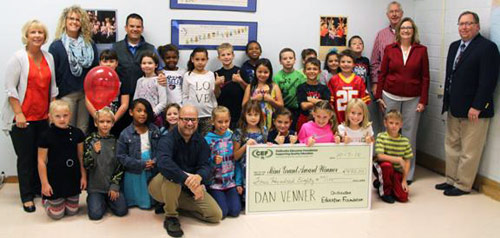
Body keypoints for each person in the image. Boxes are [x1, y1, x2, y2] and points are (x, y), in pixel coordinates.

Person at [436, 11, 500, 196]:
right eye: (461, 23)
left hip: (474, 110)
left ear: (477, 26)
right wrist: (446, 102)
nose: (464, 27)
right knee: (452, 145)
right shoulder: (454, 46)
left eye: (469, 23)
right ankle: (451, 179)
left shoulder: (487, 48)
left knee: (470, 150)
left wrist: (478, 106)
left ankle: (463, 185)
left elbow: (488, 81)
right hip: (454, 107)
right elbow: (451, 77)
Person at [2, 20, 58, 213]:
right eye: (33, 32)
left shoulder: (48, 57)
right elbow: (10, 88)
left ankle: (37, 189)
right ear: (26, 35)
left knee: (40, 157)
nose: (37, 36)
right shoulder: (18, 58)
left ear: (44, 36)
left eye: (40, 33)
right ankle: (26, 197)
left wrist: (52, 112)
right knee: (25, 158)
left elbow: (53, 88)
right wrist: (18, 113)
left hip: (43, 117)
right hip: (23, 119)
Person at [148, 105, 222, 237]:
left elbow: (205, 166)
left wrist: (199, 178)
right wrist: (187, 179)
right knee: (173, 177)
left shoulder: (201, 142)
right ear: (178, 120)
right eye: (185, 119)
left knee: (215, 215)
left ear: (197, 122)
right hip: (160, 186)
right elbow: (164, 163)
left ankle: (172, 204)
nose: (189, 123)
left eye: (193, 120)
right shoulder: (167, 139)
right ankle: (171, 216)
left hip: (187, 188)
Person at [375, 17, 429, 183]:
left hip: (413, 98)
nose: (406, 30)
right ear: (398, 31)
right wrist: (378, 96)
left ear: (413, 31)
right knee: (388, 134)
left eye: (409, 28)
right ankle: (387, 171)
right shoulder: (390, 48)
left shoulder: (421, 50)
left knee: (409, 135)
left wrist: (423, 100)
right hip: (390, 95)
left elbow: (425, 77)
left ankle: (407, 173)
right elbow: (382, 73)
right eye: (403, 28)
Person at [49, 5, 99, 134]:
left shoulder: (90, 44)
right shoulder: (56, 46)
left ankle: (80, 155)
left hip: (86, 95)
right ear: (65, 21)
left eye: (78, 19)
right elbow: (52, 74)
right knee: (66, 129)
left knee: (82, 130)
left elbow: (94, 70)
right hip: (65, 95)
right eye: (71, 18)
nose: (74, 22)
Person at [113, 13, 164, 134]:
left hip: (144, 100)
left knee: (142, 133)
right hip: (120, 99)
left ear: (142, 29)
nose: (135, 29)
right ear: (126, 28)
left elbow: (160, 70)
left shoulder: (151, 49)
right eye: (132, 26)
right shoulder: (116, 47)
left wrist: (162, 78)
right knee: (120, 131)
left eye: (138, 26)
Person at [38, 100, 86, 219]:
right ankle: (46, 200)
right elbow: (41, 161)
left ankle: (65, 199)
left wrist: (83, 176)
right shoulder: (45, 136)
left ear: (70, 114)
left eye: (65, 115)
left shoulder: (77, 133)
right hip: (55, 179)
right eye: (57, 116)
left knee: (72, 212)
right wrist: (44, 183)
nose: (62, 119)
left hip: (72, 177)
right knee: (57, 215)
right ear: (50, 117)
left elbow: (81, 156)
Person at [84, 107, 128, 220]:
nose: (105, 125)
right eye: (101, 122)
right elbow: (87, 165)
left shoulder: (116, 141)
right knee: (95, 215)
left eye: (108, 122)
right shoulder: (90, 140)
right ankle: (96, 199)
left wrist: (114, 186)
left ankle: (108, 199)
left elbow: (120, 166)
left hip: (110, 186)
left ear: (113, 124)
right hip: (95, 187)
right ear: (95, 123)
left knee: (122, 211)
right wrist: (93, 152)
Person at [116, 99, 161, 209]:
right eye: (139, 110)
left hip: (152, 167)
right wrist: (140, 164)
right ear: (131, 112)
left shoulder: (154, 130)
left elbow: (161, 150)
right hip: (134, 168)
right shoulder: (125, 133)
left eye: (145, 111)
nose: (142, 114)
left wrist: (154, 161)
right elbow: (121, 156)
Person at [370, 1, 404, 136]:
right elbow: (374, 61)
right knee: (388, 122)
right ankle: (386, 156)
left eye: (397, 11)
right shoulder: (381, 35)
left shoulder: (409, 33)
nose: (394, 14)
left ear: (402, 14)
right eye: (391, 11)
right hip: (386, 86)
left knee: (404, 124)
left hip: (406, 87)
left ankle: (403, 155)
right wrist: (375, 83)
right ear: (387, 15)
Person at [204, 106, 240, 218]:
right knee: (222, 213)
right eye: (220, 122)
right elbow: (204, 163)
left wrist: (238, 182)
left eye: (226, 121)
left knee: (235, 212)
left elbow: (236, 160)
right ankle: (211, 195)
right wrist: (213, 161)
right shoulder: (207, 139)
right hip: (215, 183)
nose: (223, 125)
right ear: (213, 121)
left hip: (230, 182)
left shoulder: (232, 136)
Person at [85, 50, 130, 137]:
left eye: (111, 61)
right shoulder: (94, 77)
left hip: (116, 120)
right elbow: (87, 101)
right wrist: (98, 119)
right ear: (100, 63)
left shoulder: (123, 78)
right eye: (105, 61)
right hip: (97, 119)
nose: (108, 64)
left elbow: (125, 104)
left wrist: (112, 121)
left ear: (116, 63)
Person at [373, 110, 412, 203]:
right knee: (387, 166)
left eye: (397, 123)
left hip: (396, 171)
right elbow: (380, 156)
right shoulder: (381, 136)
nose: (394, 126)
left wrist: (404, 180)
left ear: (401, 125)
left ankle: (380, 183)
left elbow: (407, 161)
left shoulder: (405, 141)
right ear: (385, 123)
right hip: (383, 167)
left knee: (403, 197)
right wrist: (398, 159)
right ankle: (385, 193)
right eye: (391, 123)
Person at [233, 101, 268, 201]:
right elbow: (235, 156)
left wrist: (268, 146)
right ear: (244, 115)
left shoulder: (264, 130)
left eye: (256, 114)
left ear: (260, 115)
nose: (253, 118)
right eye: (250, 114)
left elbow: (265, 150)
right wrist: (245, 146)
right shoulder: (239, 132)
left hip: (260, 169)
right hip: (244, 170)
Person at [328, 49, 371, 124]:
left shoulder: (359, 81)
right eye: (343, 62)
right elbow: (330, 104)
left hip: (356, 121)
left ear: (354, 64)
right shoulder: (333, 80)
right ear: (339, 63)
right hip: (338, 120)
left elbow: (364, 104)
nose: (346, 64)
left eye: (349, 62)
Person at [182, 47, 218, 136]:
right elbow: (185, 95)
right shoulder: (188, 75)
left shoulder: (210, 75)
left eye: (203, 59)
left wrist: (214, 110)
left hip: (208, 115)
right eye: (197, 59)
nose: (200, 62)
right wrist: (186, 112)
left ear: (207, 60)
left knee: (205, 140)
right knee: (191, 139)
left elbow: (213, 95)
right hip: (192, 116)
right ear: (192, 59)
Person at [242, 58, 284, 130]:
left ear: (270, 72)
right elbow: (244, 105)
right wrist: (254, 98)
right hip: (253, 121)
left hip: (271, 122)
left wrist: (270, 100)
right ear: (255, 72)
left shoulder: (274, 86)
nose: (262, 74)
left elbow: (281, 106)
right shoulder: (251, 87)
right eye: (260, 72)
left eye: (265, 72)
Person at [214, 43, 248, 129]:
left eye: (228, 54)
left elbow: (249, 91)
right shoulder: (217, 74)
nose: (226, 57)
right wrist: (217, 85)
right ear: (219, 58)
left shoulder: (240, 71)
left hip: (238, 114)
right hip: (222, 116)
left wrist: (240, 81)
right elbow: (216, 95)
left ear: (233, 55)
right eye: (223, 55)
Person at [273, 48, 307, 129]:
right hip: (283, 110)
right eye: (285, 59)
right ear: (280, 61)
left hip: (298, 110)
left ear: (295, 60)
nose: (288, 60)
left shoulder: (301, 76)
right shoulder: (277, 77)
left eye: (291, 58)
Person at [133, 51, 167, 126]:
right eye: (144, 63)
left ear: (156, 65)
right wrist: (138, 112)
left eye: (150, 63)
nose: (147, 65)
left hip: (154, 118)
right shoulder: (139, 81)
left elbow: (163, 102)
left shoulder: (159, 80)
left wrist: (152, 113)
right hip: (140, 117)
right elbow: (135, 100)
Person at [296, 58, 331, 132]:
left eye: (315, 69)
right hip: (304, 119)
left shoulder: (324, 88)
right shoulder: (301, 87)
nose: (312, 71)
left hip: (321, 120)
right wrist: (319, 102)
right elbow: (304, 106)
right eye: (309, 69)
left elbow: (326, 104)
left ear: (319, 71)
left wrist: (309, 99)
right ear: (304, 71)